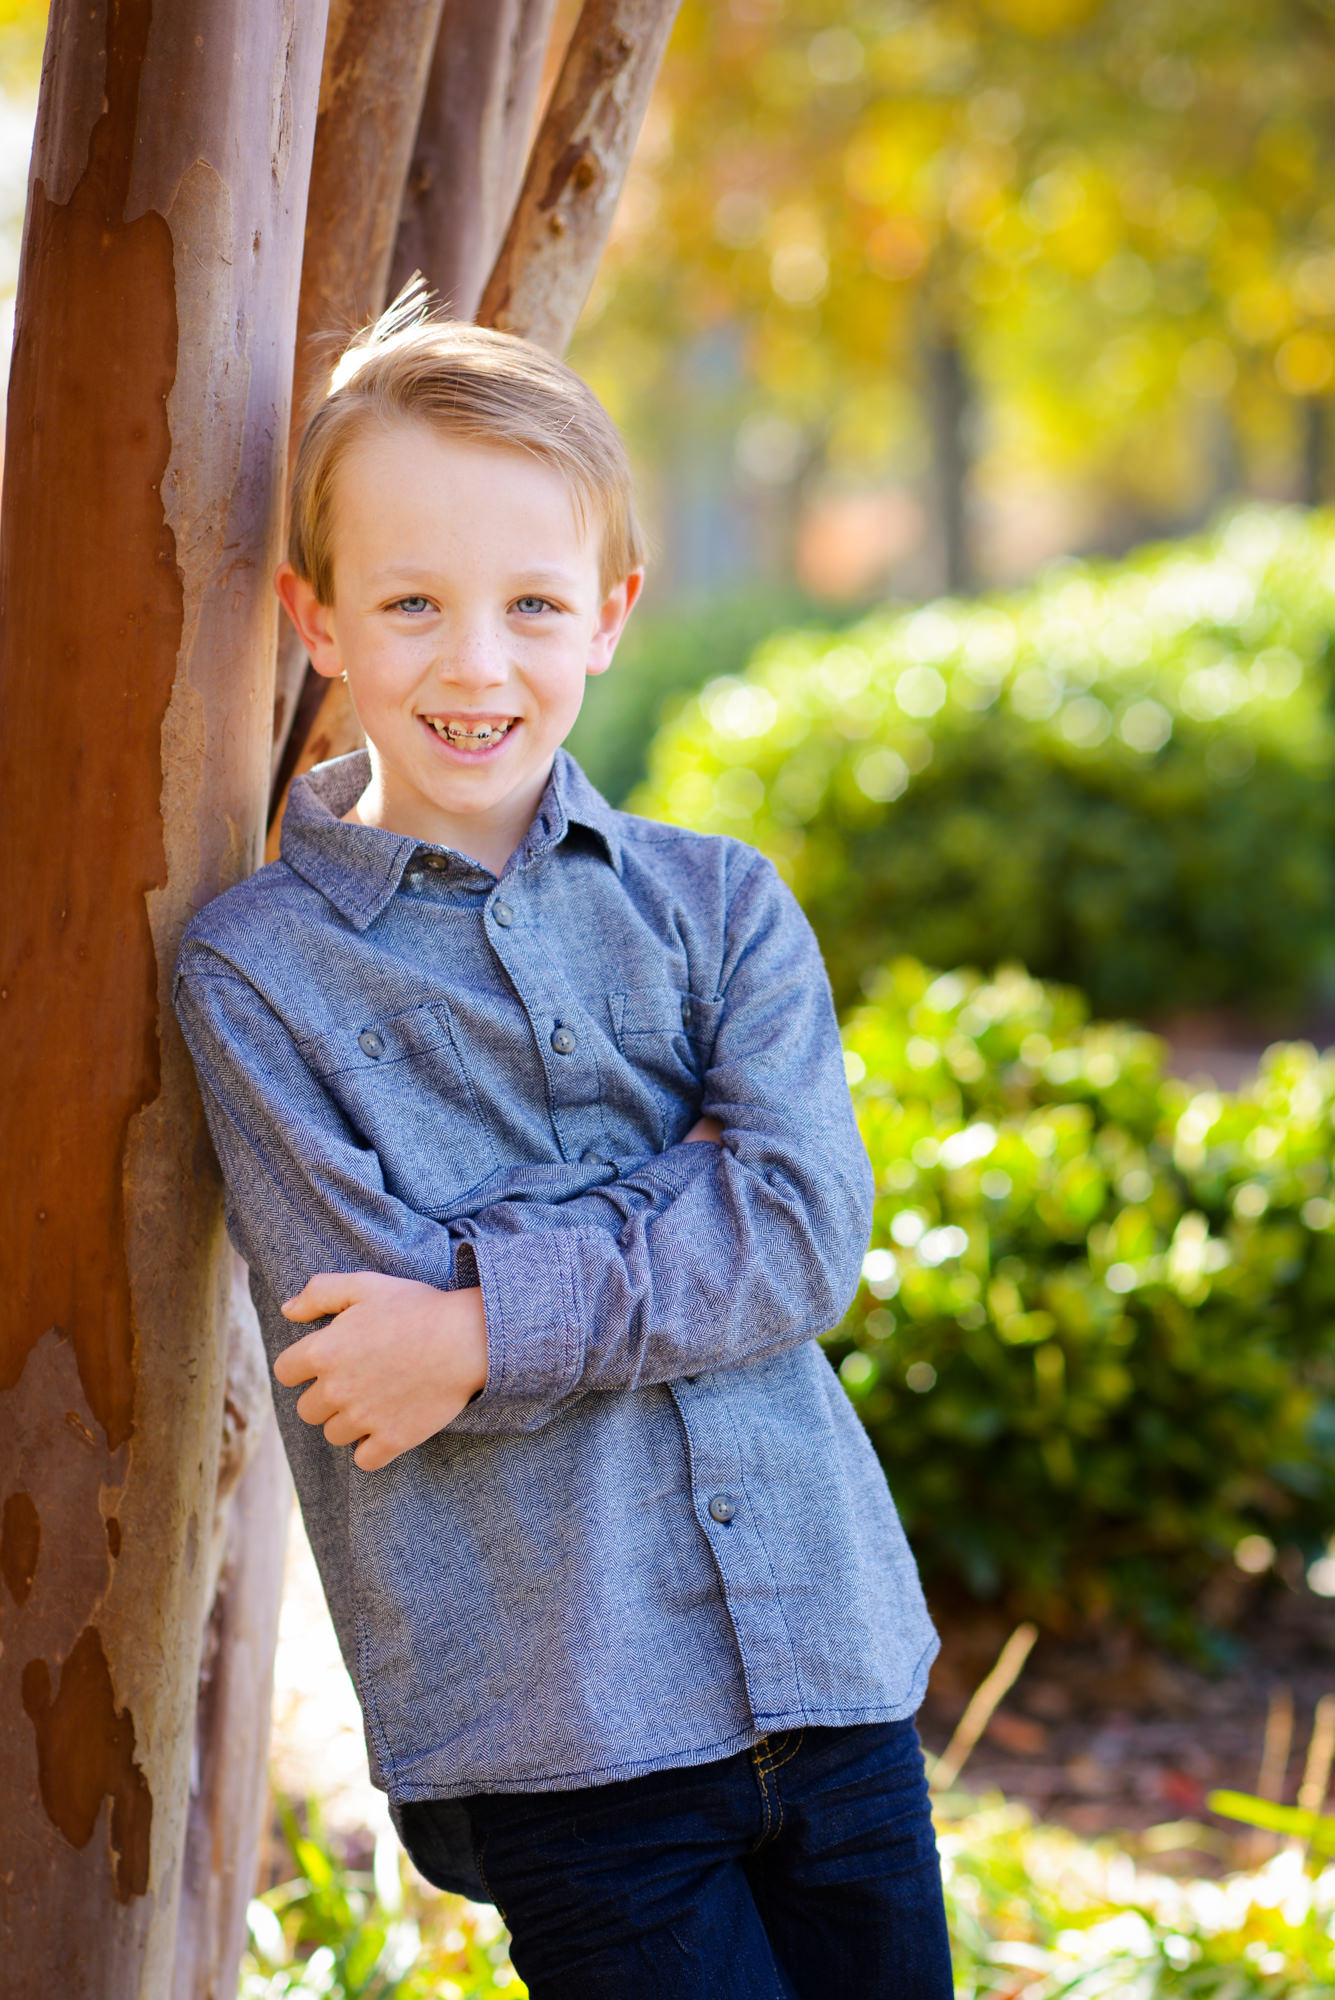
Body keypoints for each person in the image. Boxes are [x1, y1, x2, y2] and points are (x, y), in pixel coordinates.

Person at [173, 298, 952, 1998]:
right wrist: (692, 1197)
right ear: (314, 619)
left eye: (532, 603)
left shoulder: (721, 908)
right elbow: (361, 1353)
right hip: (560, 1725)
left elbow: (808, 1228)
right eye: (411, 604)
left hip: (832, 1660)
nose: (476, 663)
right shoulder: (257, 974)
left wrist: (482, 1316)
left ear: (610, 613)